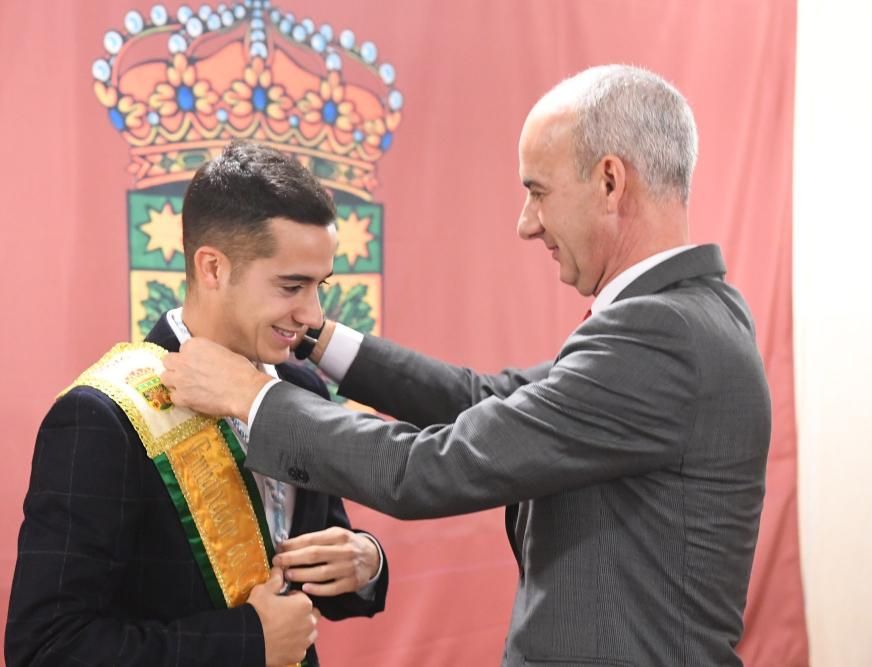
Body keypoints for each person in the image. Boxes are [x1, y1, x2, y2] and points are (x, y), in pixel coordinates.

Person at [160, 65, 772, 667]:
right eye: (293, 285)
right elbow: (485, 399)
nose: (527, 223)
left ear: (610, 181)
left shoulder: (662, 335)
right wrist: (318, 336)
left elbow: (429, 466)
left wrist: (253, 397)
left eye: (538, 191)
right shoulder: (694, 314)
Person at [6, 141, 388, 667]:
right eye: (291, 286)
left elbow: (321, 562)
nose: (312, 314)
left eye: (319, 285)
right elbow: (46, 647)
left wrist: (365, 562)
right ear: (212, 268)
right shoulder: (103, 416)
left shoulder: (302, 389)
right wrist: (248, 643)